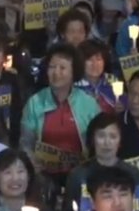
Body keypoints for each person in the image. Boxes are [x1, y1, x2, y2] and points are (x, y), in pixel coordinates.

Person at [20, 44, 100, 173]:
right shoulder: (34, 102)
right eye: (52, 67)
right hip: (43, 173)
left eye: (62, 68)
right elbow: (26, 144)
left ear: (74, 72)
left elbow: (98, 144)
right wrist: (33, 164)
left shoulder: (89, 103)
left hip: (82, 173)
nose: (56, 72)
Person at [64, 113, 139, 211]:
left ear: (120, 141)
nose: (107, 142)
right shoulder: (78, 175)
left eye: (113, 137)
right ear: (92, 139)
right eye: (101, 136)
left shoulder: (134, 174)